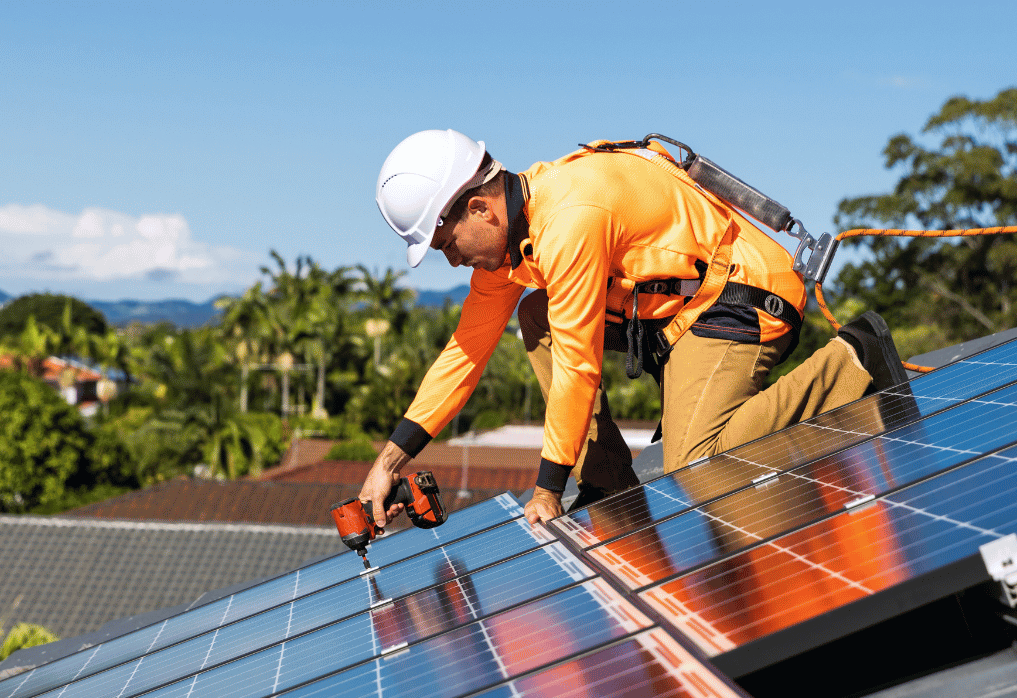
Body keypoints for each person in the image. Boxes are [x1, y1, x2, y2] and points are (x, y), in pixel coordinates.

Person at [360, 129, 908, 527]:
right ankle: (608, 487)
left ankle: (853, 359)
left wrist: (549, 488)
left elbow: (579, 362)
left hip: (740, 295)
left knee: (697, 462)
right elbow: (465, 352)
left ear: (481, 209)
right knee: (536, 314)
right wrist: (389, 462)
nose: (451, 261)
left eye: (446, 244)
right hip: (676, 316)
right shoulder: (512, 246)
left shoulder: (571, 216)